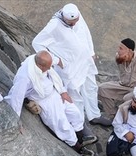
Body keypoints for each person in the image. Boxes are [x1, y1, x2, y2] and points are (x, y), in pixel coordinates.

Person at [5, 50, 95, 156]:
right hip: (44, 101)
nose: (49, 69)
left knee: (74, 112)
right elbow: (16, 98)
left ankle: (81, 136)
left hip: (55, 92)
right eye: (47, 67)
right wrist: (16, 121)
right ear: (40, 65)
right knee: (62, 124)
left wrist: (63, 91)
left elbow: (55, 64)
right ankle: (77, 147)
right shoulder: (25, 77)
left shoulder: (41, 59)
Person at [32, 3, 101, 134]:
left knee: (91, 87)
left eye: (75, 21)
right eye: (71, 23)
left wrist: (91, 52)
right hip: (70, 66)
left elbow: (85, 32)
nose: (74, 24)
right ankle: (81, 126)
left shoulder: (77, 14)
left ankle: (94, 115)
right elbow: (37, 43)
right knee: (75, 95)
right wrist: (56, 60)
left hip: (85, 61)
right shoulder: (54, 26)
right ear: (64, 18)